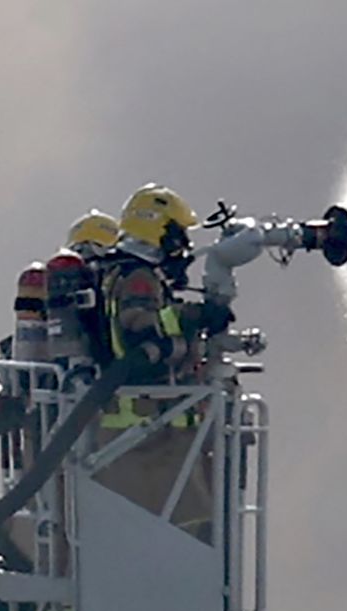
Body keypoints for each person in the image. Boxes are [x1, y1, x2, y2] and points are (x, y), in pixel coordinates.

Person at [92, 183, 214, 543]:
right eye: (180, 236)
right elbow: (142, 338)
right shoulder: (140, 279)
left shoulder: (116, 271)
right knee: (187, 535)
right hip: (149, 440)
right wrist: (194, 318)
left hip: (130, 440)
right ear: (162, 231)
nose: (185, 249)